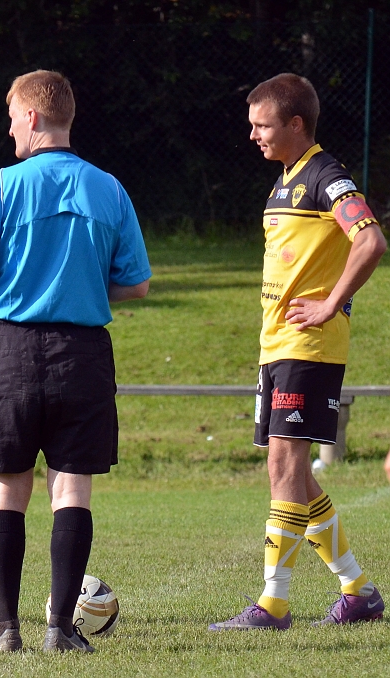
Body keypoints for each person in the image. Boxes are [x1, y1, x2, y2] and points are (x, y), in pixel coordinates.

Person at [0, 70, 151, 653]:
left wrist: (17, 284)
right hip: (83, 355)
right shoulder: (109, 189)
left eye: (12, 115)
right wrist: (81, 288)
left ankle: (5, 628)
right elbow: (136, 285)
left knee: (7, 489)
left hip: (11, 348)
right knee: (72, 488)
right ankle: (62, 630)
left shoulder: (2, 186)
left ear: (32, 119)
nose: (9, 126)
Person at [210, 73, 386, 631]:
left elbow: (371, 240)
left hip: (308, 347)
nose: (253, 136)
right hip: (279, 346)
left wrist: (333, 301)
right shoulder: (284, 181)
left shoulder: (326, 176)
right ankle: (358, 591)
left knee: (285, 467)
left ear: (295, 123)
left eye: (262, 125)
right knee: (292, 477)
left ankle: (274, 604)